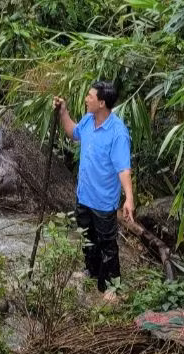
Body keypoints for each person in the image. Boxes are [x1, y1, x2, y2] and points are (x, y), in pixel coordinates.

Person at [53, 82, 134, 300]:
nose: (86, 99)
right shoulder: (89, 120)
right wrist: (63, 113)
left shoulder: (117, 132)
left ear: (102, 103)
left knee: (107, 244)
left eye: (90, 96)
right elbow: (73, 133)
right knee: (87, 237)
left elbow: (123, 169)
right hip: (84, 195)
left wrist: (129, 198)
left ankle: (111, 285)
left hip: (104, 200)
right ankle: (91, 269)